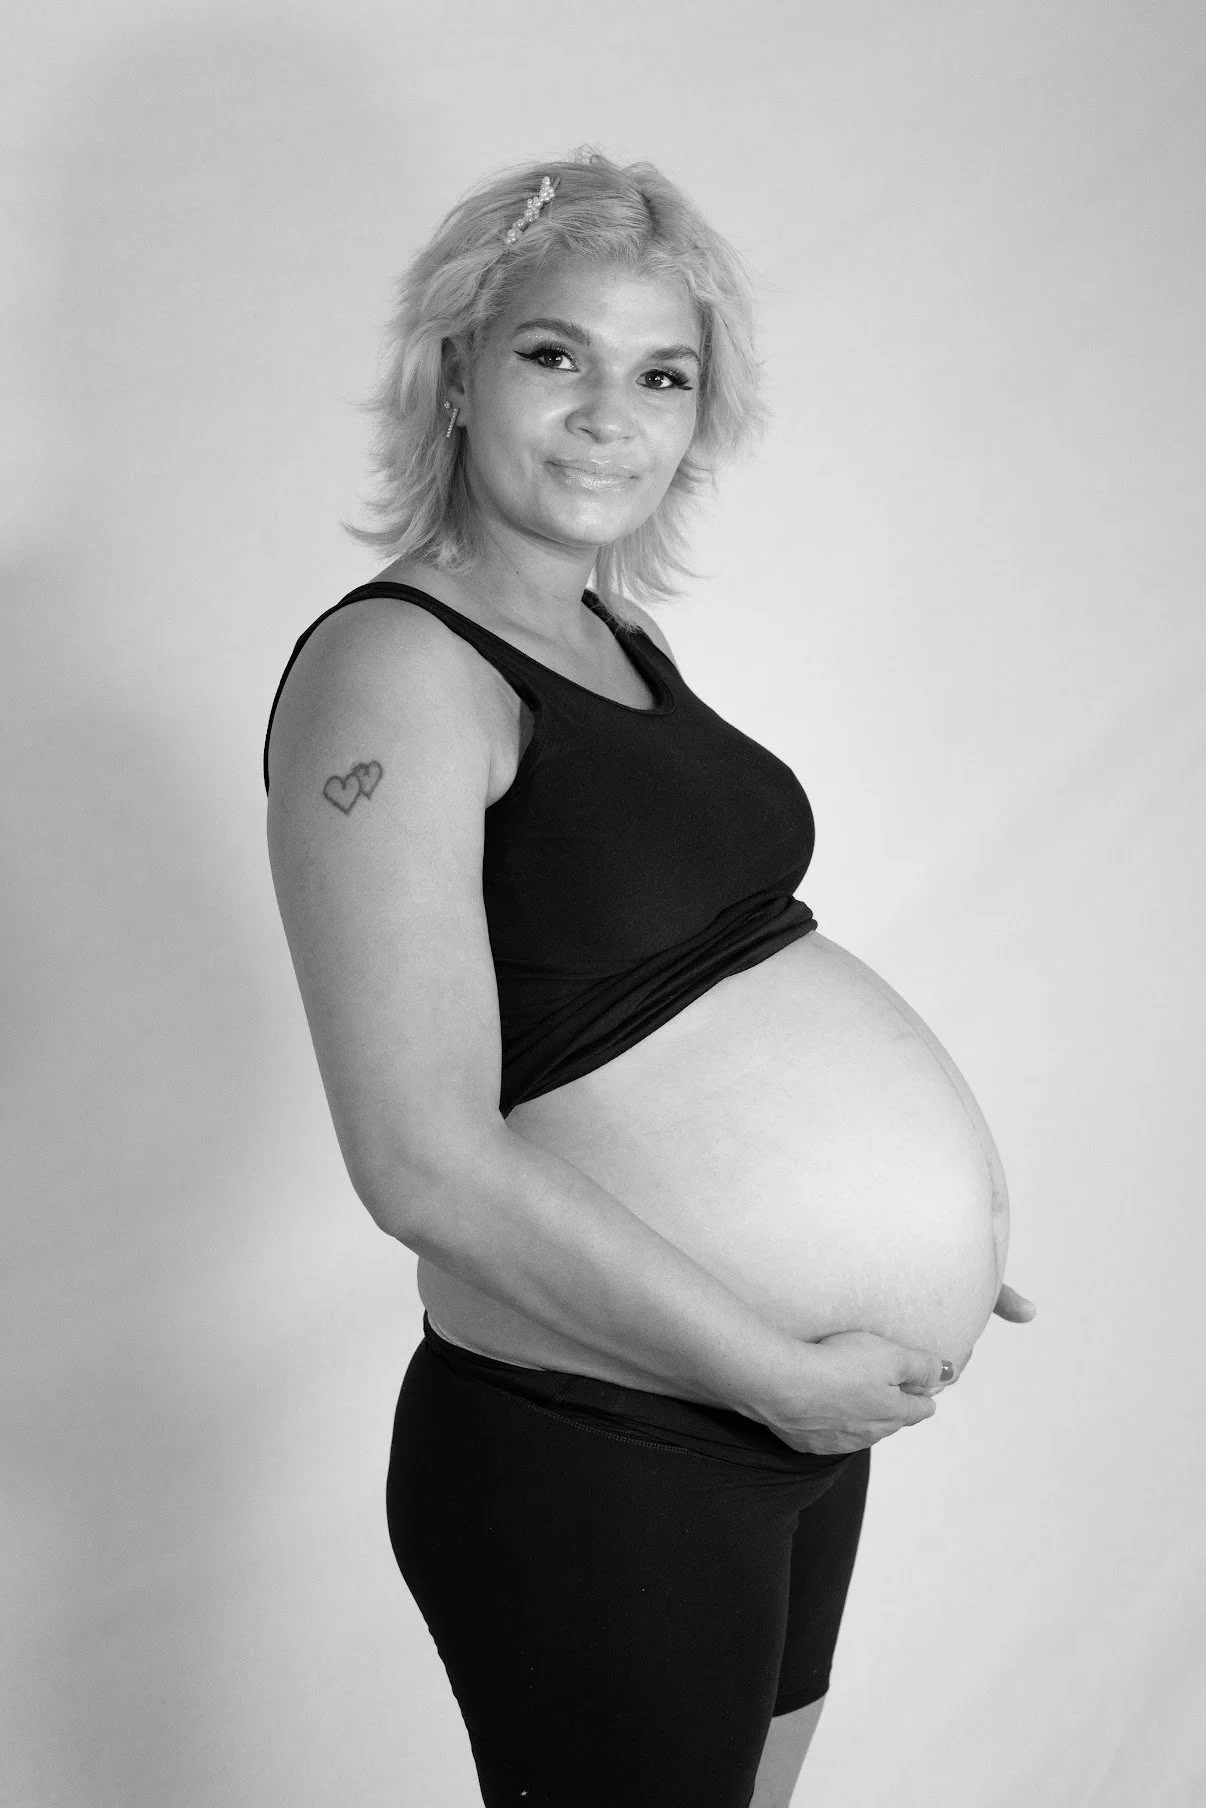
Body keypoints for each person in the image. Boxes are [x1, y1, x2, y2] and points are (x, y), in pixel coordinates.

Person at [263, 151, 1036, 1808]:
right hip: (602, 1439)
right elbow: (417, 1159)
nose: (612, 414)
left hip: (777, 1413)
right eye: (556, 355)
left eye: (661, 376)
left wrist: (925, 1244)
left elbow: (677, 1006)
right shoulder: (396, 666)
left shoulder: (616, 641)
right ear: (457, 370)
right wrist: (772, 1362)